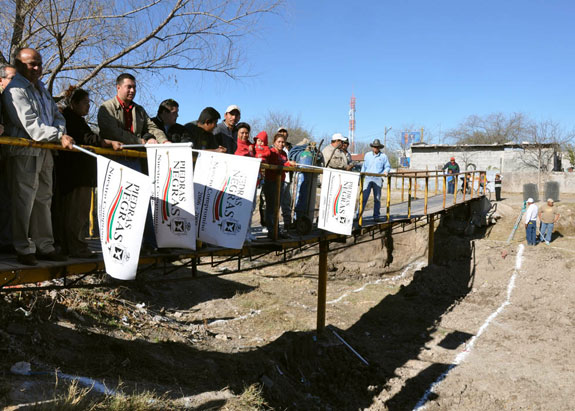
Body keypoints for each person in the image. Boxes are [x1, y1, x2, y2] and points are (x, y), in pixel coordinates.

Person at [2, 48, 75, 265]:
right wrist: (59, 134)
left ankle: (45, 246)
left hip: (46, 151)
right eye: (31, 64)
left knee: (44, 199)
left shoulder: (41, 88)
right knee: (24, 200)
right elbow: (33, 127)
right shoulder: (14, 90)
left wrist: (60, 132)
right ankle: (23, 248)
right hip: (25, 152)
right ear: (19, 65)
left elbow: (56, 115)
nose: (37, 68)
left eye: (39, 64)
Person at [54, 88, 122, 258]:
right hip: (76, 175)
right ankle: (76, 247)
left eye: (89, 103)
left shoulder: (76, 119)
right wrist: (108, 142)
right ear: (74, 103)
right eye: (85, 103)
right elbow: (88, 138)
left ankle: (73, 246)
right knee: (76, 214)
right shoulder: (70, 119)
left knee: (76, 213)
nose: (88, 107)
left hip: (79, 175)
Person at [97, 73, 168, 145]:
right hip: (113, 154)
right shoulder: (107, 108)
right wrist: (140, 141)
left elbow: (152, 128)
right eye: (129, 87)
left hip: (137, 153)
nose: (132, 90)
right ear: (118, 88)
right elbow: (113, 133)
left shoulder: (139, 110)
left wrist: (164, 141)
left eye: (134, 87)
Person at [260, 133, 296, 239]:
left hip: (281, 182)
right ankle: (271, 231)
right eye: (279, 142)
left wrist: (288, 164)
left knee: (277, 207)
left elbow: (283, 164)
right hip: (270, 182)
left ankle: (276, 229)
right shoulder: (271, 152)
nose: (281, 144)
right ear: (274, 142)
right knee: (271, 207)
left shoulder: (284, 154)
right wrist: (288, 164)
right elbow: (275, 164)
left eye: (283, 142)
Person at [0, 64, 17, 253]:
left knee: (7, 199)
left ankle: (6, 241)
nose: (15, 83)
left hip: (9, 155)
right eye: (11, 78)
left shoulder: (13, 99)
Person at [359, 139, 391, 220]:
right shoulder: (367, 155)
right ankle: (358, 215)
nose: (375, 148)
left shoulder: (383, 156)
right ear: (372, 147)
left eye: (377, 147)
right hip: (367, 178)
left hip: (378, 178)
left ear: (379, 148)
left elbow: (387, 166)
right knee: (363, 197)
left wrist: (386, 171)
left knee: (377, 199)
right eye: (374, 147)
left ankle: (376, 216)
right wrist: (361, 177)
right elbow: (364, 167)